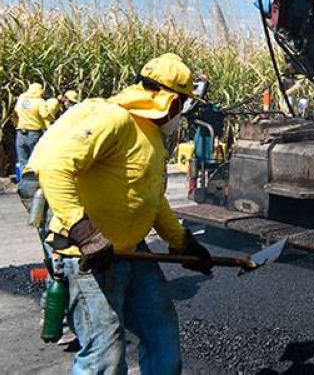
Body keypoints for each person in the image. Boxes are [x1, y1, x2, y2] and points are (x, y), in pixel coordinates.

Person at [26, 53, 216, 374]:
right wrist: (85, 234)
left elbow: (152, 201)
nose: (182, 113)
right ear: (169, 99)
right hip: (90, 258)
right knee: (105, 355)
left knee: (162, 333)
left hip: (132, 253)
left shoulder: (152, 138)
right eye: (182, 104)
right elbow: (54, 166)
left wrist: (183, 243)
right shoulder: (115, 121)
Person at [13, 83, 55, 175]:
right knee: (36, 161)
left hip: (20, 133)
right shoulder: (40, 102)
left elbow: (15, 113)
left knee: (23, 161)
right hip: (34, 133)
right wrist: (53, 119)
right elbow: (45, 115)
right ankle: (35, 184)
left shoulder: (21, 99)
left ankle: (23, 185)